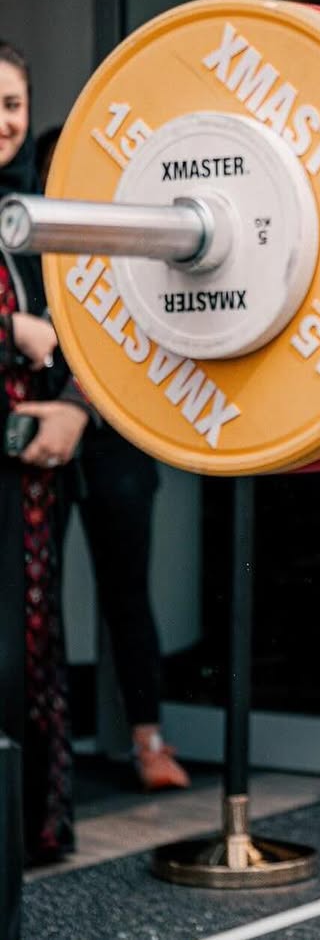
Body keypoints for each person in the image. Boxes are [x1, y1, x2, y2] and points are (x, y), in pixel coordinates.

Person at [34, 128, 190, 793]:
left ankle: (148, 741)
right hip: (33, 436)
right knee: (34, 598)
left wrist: (78, 400)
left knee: (127, 592)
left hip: (112, 434)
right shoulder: (22, 231)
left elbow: (142, 337)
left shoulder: (130, 239)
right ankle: (46, 754)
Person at [0, 44, 91, 864]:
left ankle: (27, 835)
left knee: (25, 647)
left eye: (13, 104)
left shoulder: (41, 214)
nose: (3, 121)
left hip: (28, 472)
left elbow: (97, 326)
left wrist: (72, 409)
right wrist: (8, 333)